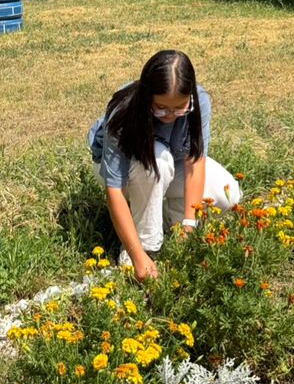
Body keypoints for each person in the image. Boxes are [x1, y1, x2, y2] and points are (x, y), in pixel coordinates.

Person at [87, 49, 242, 283]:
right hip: (123, 174)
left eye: (179, 108)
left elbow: (195, 162)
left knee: (227, 193)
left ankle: (174, 225)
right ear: (147, 96)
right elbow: (114, 190)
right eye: (160, 107)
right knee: (156, 161)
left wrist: (190, 224)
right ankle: (143, 244)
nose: (170, 115)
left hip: (167, 167)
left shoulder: (199, 102)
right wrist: (137, 256)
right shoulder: (124, 109)